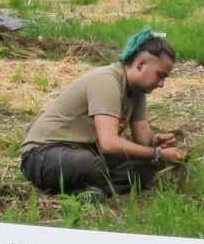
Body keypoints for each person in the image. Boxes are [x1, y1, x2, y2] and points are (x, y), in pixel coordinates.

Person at [20, 28, 187, 202]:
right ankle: (87, 191)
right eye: (160, 76)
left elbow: (143, 138)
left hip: (89, 152)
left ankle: (90, 191)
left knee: (147, 167)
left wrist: (154, 143)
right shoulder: (107, 81)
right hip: (44, 154)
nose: (161, 84)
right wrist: (157, 153)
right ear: (141, 64)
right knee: (88, 165)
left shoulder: (137, 91)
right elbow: (109, 144)